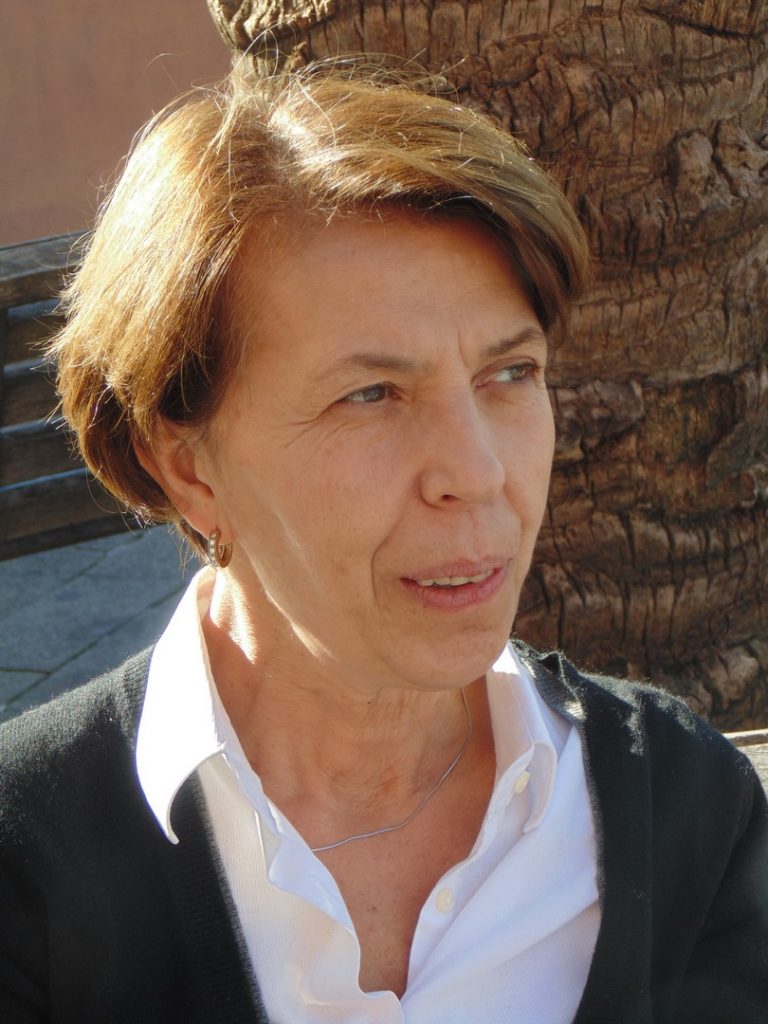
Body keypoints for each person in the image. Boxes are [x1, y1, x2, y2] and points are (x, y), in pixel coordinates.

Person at [1, 61, 766, 1024]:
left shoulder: (686, 809)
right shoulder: (26, 864)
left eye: (510, 373)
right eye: (371, 395)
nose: (477, 472)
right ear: (187, 468)